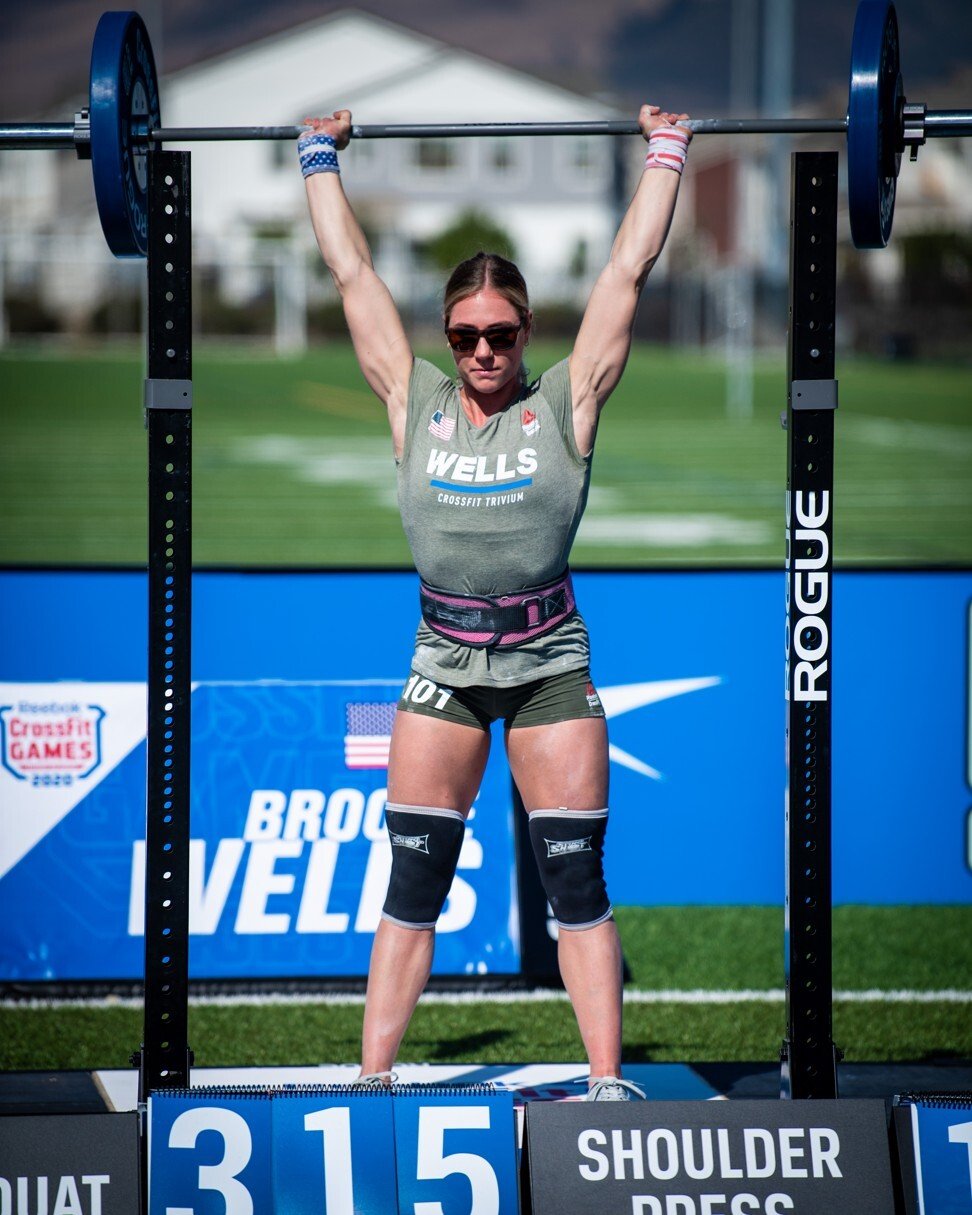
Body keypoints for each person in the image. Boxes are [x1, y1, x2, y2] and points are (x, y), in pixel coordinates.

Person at [299, 105, 691, 1100]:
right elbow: (353, 276)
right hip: (444, 666)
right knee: (413, 882)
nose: (482, 350)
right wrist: (317, 154)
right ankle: (372, 1082)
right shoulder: (412, 402)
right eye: (467, 334)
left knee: (575, 883)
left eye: (501, 334)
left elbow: (624, 275)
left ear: (526, 331)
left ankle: (607, 1085)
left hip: (550, 662)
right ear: (447, 335)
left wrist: (666, 150)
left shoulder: (567, 403)